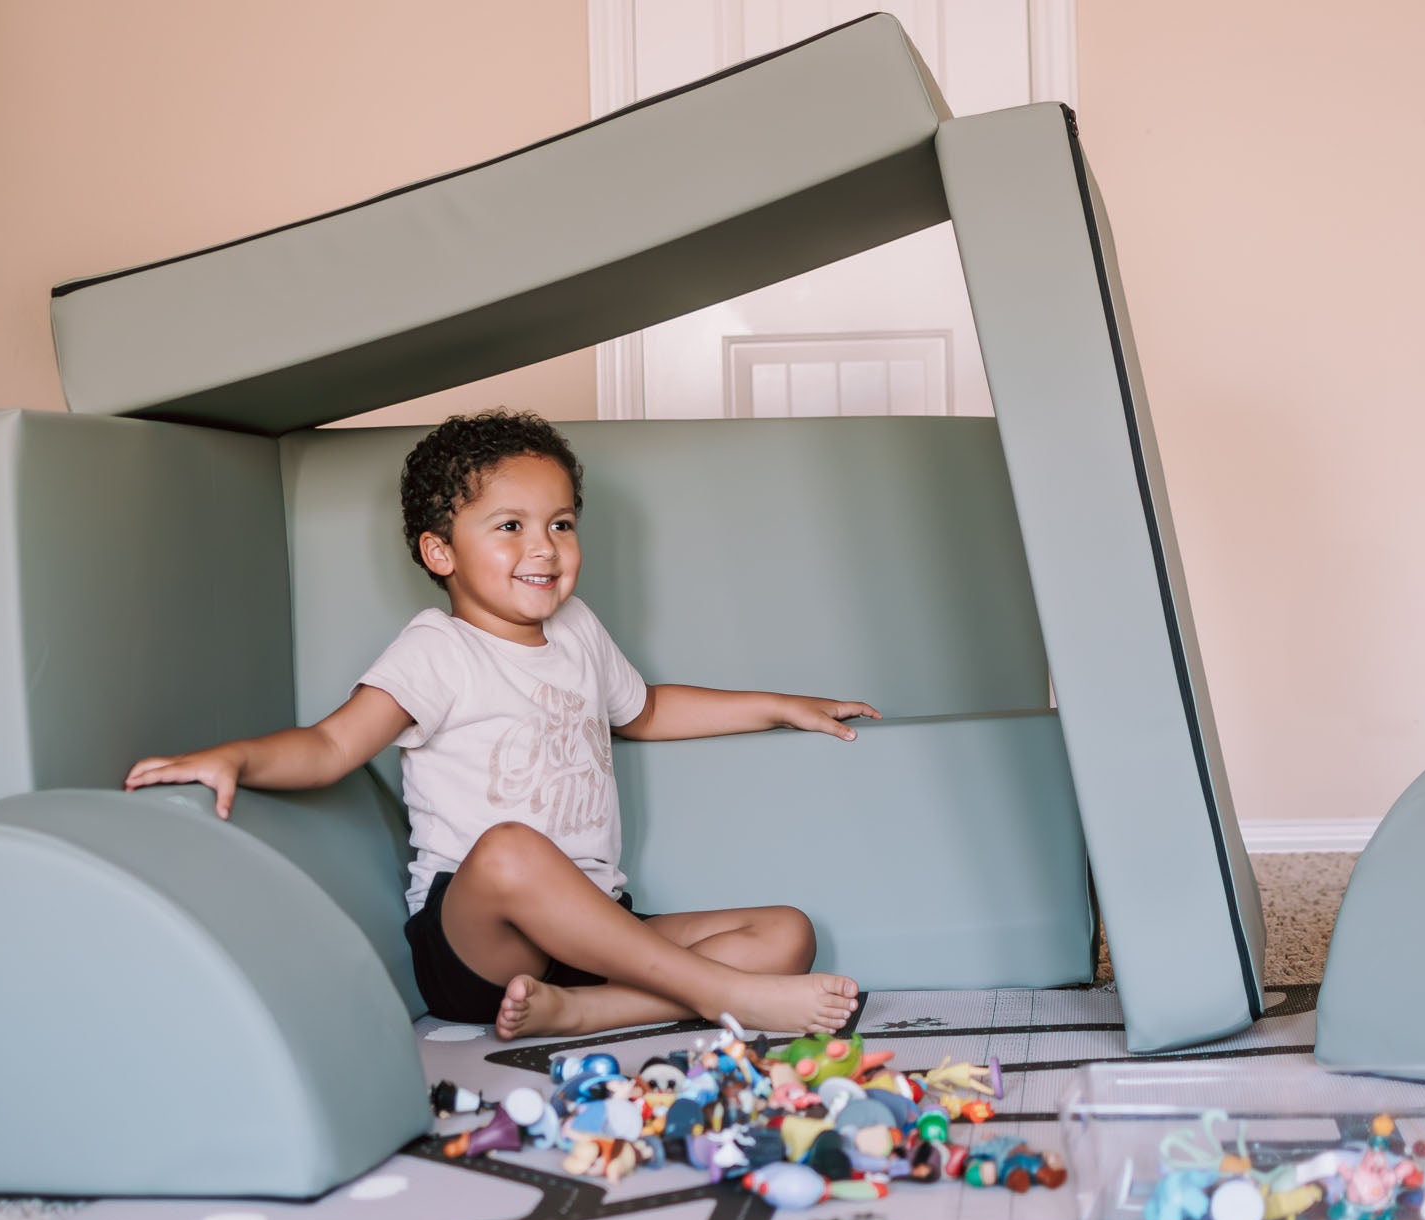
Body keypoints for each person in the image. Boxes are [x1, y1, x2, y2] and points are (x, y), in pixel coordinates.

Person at [125, 410, 876, 1041]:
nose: (543, 547)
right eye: (510, 526)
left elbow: (643, 709)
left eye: (560, 523)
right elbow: (328, 745)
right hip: (477, 941)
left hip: (591, 928)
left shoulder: (576, 629)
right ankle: (725, 996)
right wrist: (235, 758)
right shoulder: (437, 650)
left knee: (786, 932)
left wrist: (777, 704)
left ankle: (581, 1012)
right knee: (512, 849)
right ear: (440, 550)